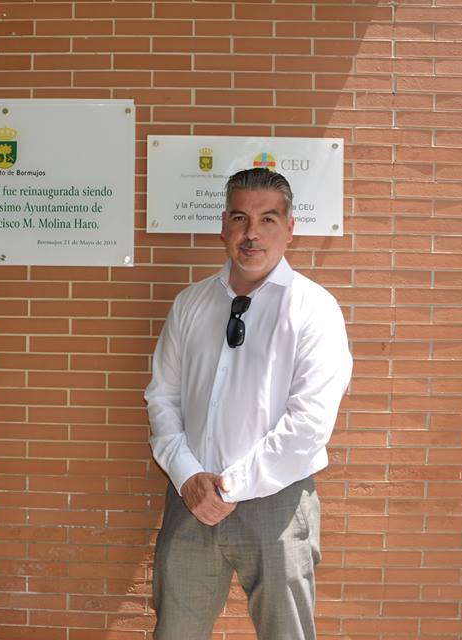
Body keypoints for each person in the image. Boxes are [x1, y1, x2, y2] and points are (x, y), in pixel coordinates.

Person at [145, 168, 352, 640]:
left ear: (290, 228)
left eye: (268, 219)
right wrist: (189, 477)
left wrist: (229, 486)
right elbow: (162, 398)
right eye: (240, 218)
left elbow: (309, 424)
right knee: (175, 632)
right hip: (190, 500)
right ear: (224, 225)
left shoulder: (313, 309)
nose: (252, 233)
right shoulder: (191, 303)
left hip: (277, 504)